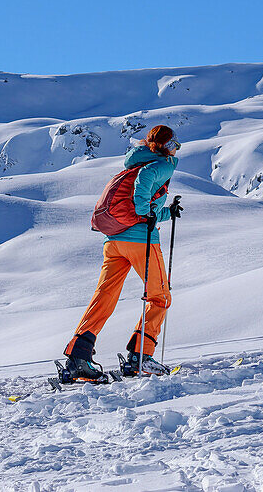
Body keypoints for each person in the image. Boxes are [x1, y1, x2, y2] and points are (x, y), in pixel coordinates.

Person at [62, 125, 184, 381]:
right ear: (164, 146)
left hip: (114, 241)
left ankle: (78, 357)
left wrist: (165, 213)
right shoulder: (163, 164)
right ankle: (141, 357)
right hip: (141, 242)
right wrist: (146, 211)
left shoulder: (134, 163)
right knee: (160, 297)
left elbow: (143, 208)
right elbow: (143, 193)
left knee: (104, 296)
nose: (177, 147)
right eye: (174, 143)